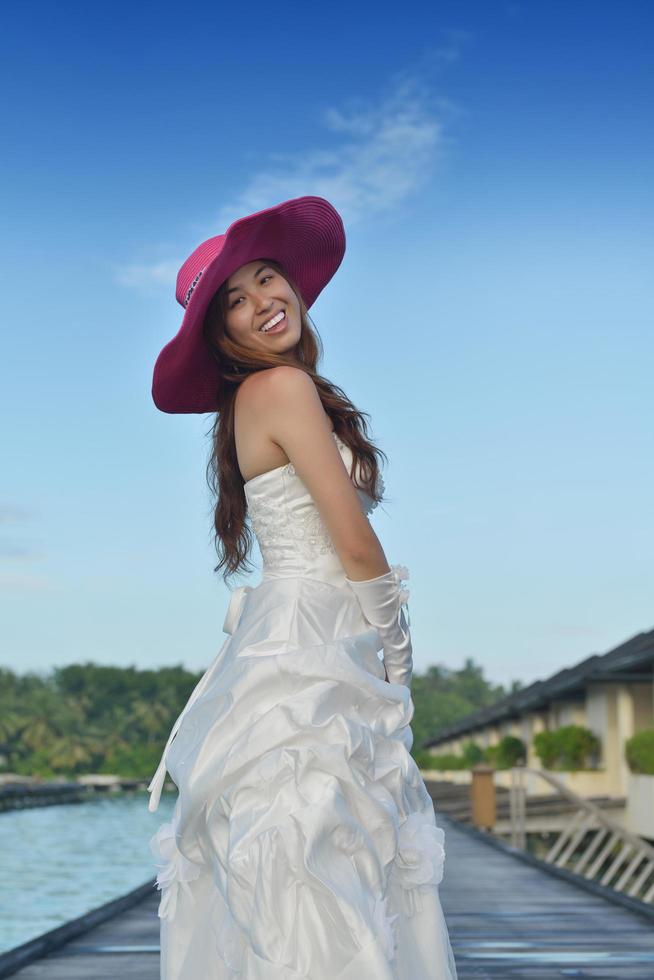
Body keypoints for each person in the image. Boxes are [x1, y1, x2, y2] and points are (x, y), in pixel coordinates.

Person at [147, 195, 458, 979]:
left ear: (292, 280)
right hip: (316, 641)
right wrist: (397, 654)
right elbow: (354, 541)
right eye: (236, 304)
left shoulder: (261, 399)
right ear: (222, 338)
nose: (262, 304)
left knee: (306, 865)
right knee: (320, 865)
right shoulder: (282, 391)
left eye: (264, 280)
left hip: (298, 636)